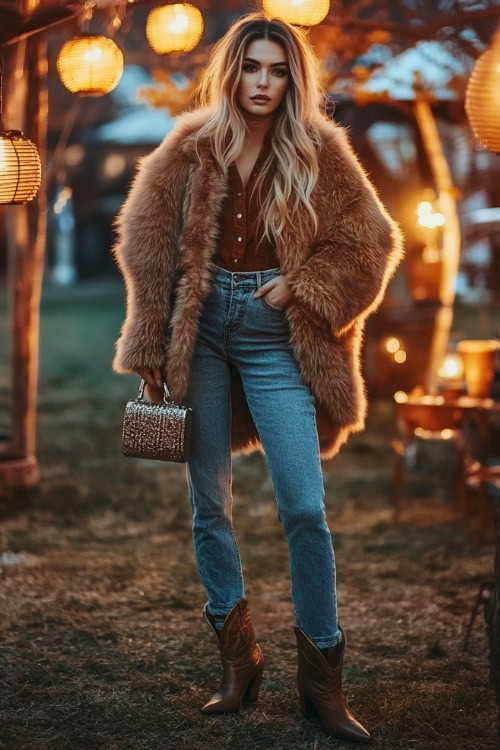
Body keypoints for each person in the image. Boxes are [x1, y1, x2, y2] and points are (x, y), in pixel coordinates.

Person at [111, 11, 404, 743]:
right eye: (252, 68)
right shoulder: (189, 145)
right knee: (208, 503)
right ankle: (238, 661)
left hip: (278, 334)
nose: (263, 83)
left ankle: (322, 680)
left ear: (292, 76)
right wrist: (149, 332)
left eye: (277, 69)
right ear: (231, 71)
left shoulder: (320, 149)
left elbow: (373, 240)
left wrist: (303, 285)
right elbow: (146, 239)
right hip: (201, 329)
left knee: (304, 508)